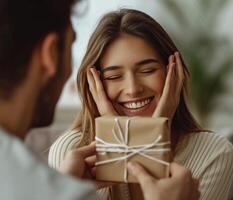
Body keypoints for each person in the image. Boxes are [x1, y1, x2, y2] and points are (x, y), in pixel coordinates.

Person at [0, 0, 199, 199]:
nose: (132, 89)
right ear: (50, 54)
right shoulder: (59, 186)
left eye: (147, 70)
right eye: (72, 45)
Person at [49, 9, 233, 200]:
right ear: (94, 84)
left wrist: (154, 135)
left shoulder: (215, 153)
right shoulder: (70, 154)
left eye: (147, 70)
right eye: (114, 76)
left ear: (173, 73)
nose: (132, 89)